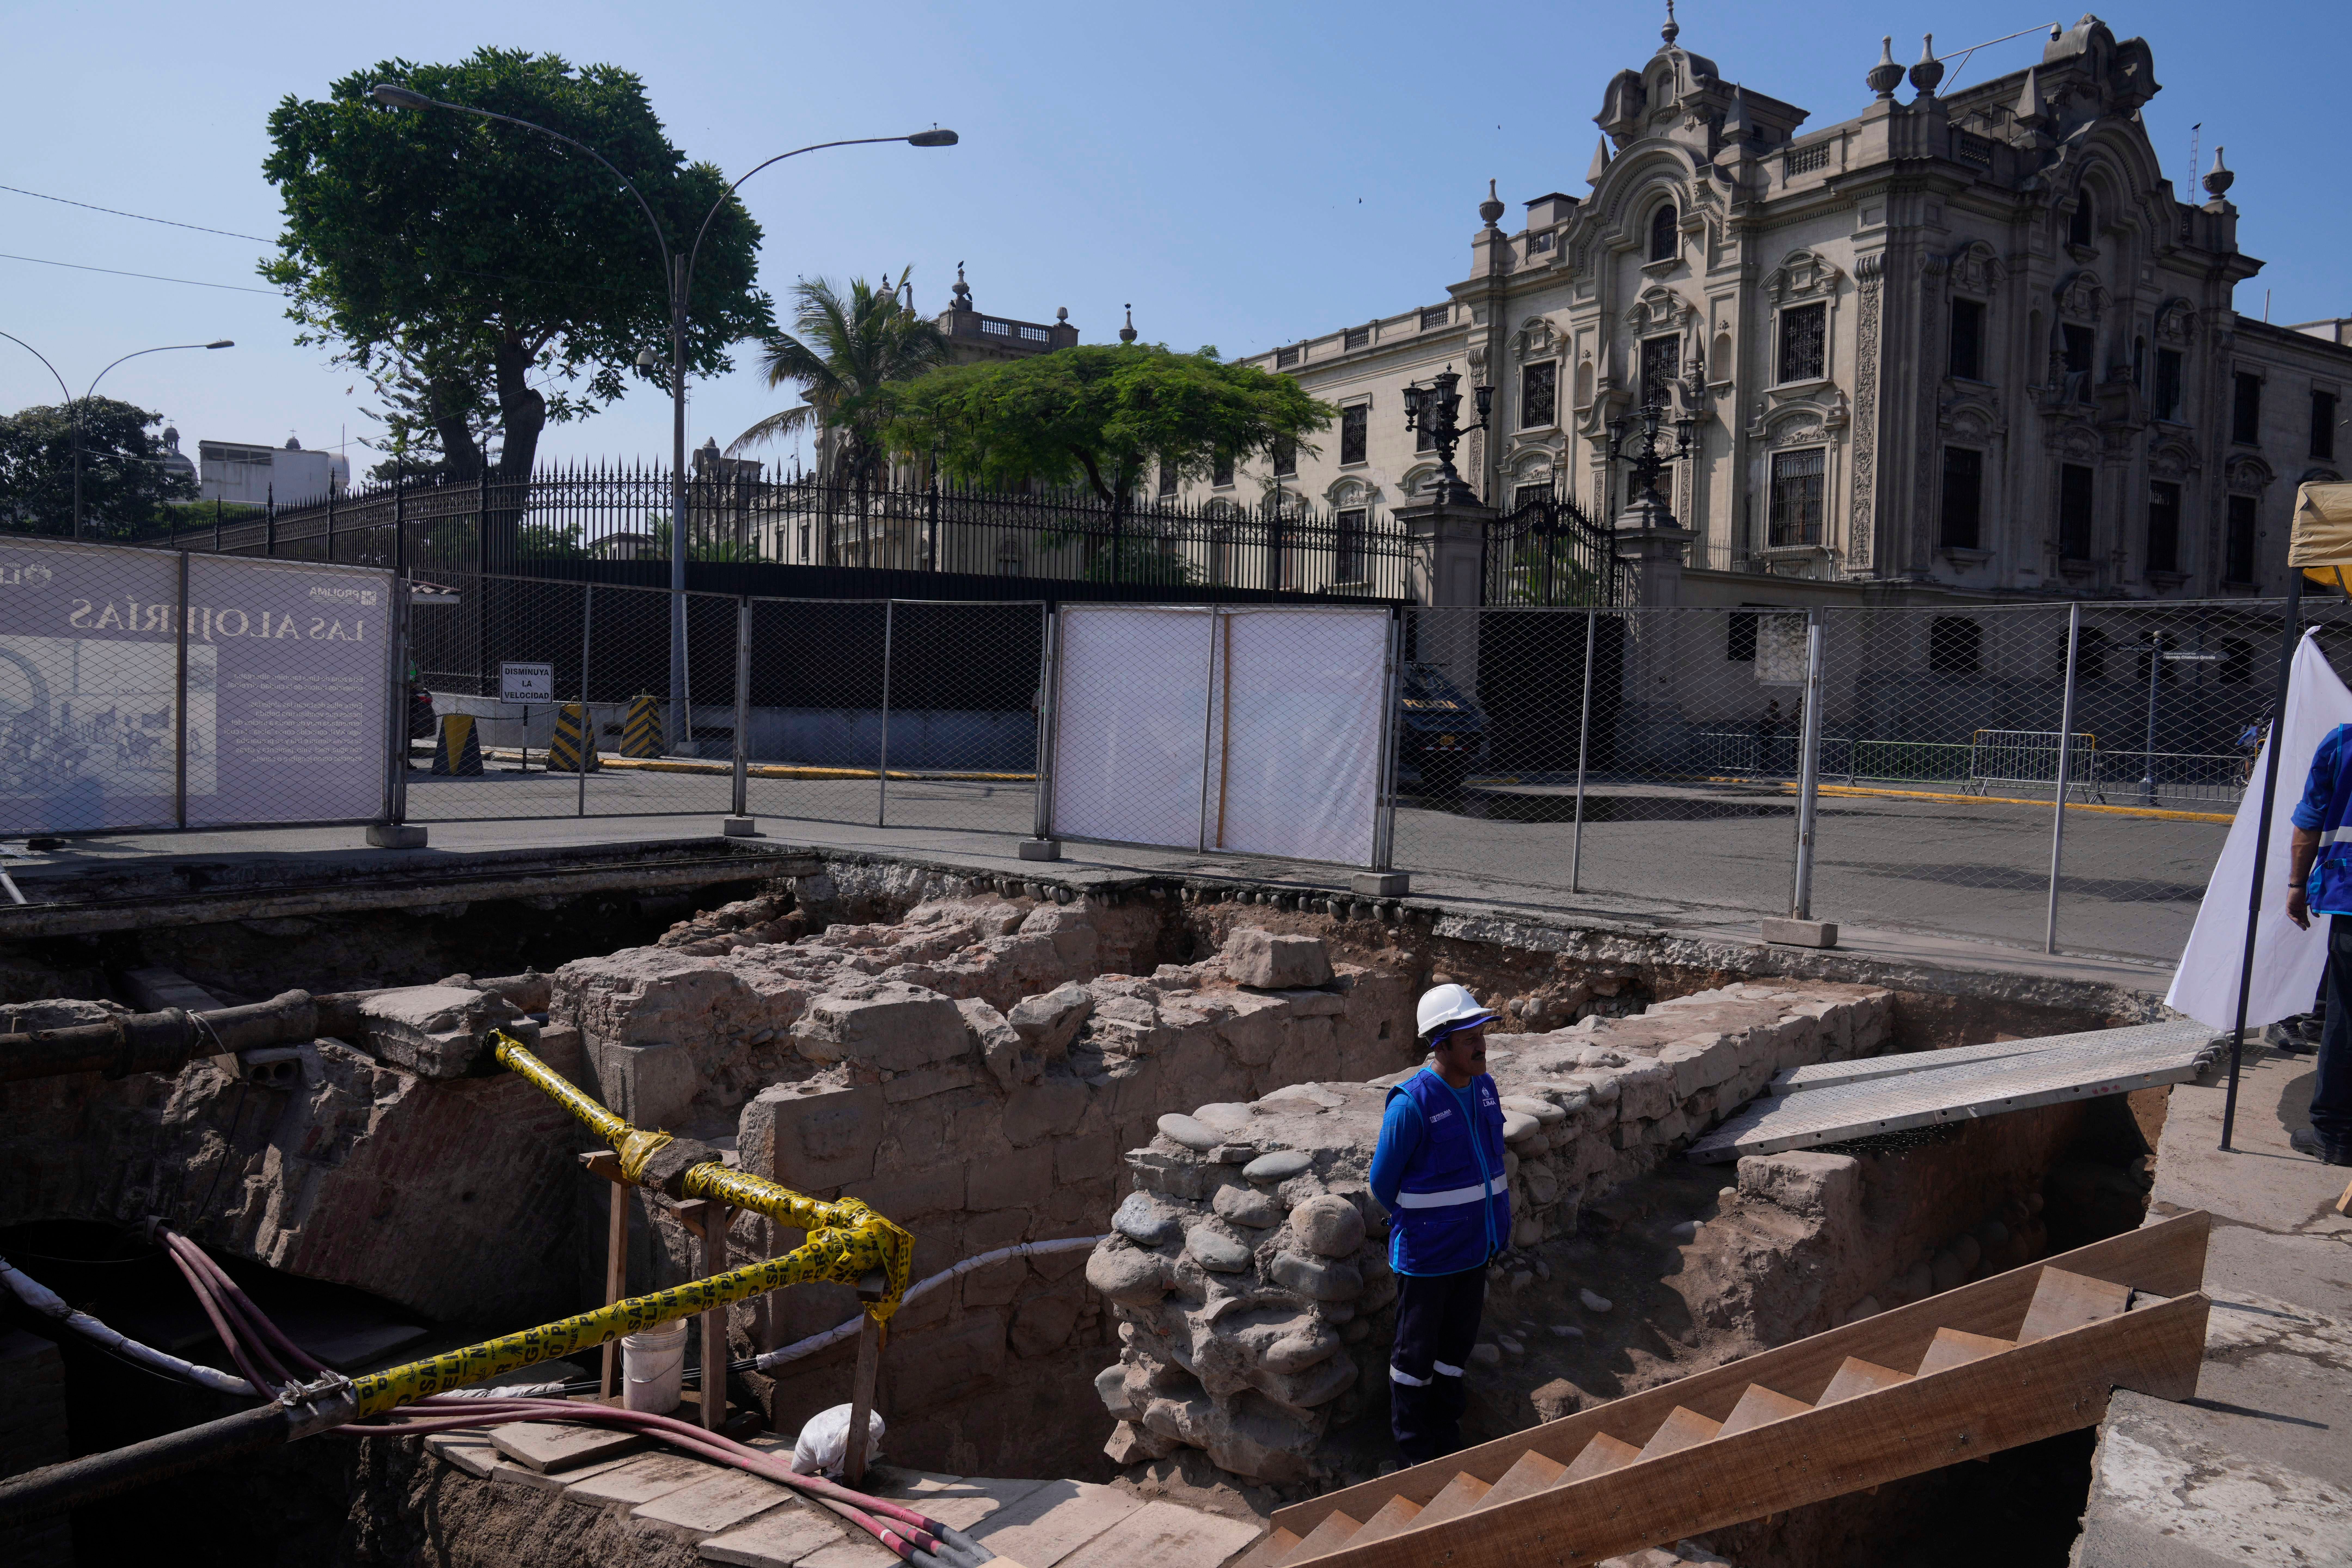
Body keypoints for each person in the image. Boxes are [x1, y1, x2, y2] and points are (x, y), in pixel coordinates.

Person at [1369, 984, 1511, 1465]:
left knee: (1455, 1350)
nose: (1481, 1044)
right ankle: (1415, 1453)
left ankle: (1446, 1436)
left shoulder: (1485, 1089)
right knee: (1415, 1359)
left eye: (1482, 1032)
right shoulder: (1411, 1104)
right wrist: (1430, 1227)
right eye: (1469, 1036)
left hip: (1475, 1251)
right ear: (1441, 1044)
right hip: (1429, 1260)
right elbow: (1382, 1186)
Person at [2280, 723, 2352, 1165]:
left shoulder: (2344, 742)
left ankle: (2335, 1136)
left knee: (2344, 1019)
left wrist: (2296, 885)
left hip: (2350, 899)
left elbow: (2310, 819)